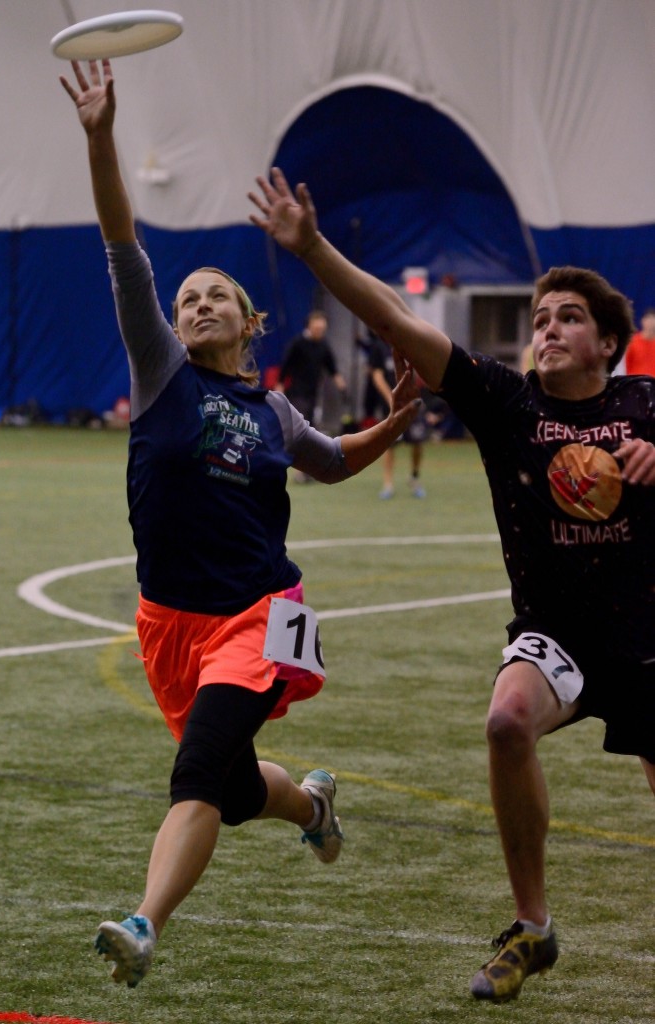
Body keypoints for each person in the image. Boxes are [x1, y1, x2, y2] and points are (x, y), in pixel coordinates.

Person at [248, 167, 655, 1003]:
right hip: (560, 631)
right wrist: (311, 244)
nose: (548, 328)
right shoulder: (507, 403)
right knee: (507, 718)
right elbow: (394, 314)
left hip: (649, 629)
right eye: (540, 318)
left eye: (569, 317)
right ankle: (532, 928)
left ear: (607, 343)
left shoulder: (649, 403)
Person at [60, 64, 422, 989]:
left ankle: (144, 922)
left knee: (198, 774)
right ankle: (311, 808)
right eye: (185, 301)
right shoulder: (162, 377)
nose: (196, 305)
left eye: (214, 295)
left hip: (261, 616)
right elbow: (122, 248)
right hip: (168, 624)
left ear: (249, 320)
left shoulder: (274, 412)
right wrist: (102, 137)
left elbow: (334, 460)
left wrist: (398, 422)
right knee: (227, 781)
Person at [365, 331, 429, 499]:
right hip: (391, 406)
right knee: (389, 444)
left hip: (412, 402)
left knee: (417, 441)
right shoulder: (379, 348)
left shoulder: (408, 345)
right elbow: (377, 377)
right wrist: (391, 399)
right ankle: (388, 484)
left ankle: (414, 478)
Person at [276, 309, 347, 426]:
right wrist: (280, 385)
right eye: (317, 329)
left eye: (322, 330)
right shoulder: (298, 343)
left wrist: (342, 386)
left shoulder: (323, 345)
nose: (320, 332)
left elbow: (332, 368)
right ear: (309, 326)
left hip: (313, 391)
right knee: (300, 420)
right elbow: (286, 365)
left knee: (311, 423)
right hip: (297, 391)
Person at [624, 307, 655, 376]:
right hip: (635, 382)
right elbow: (625, 365)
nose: (651, 323)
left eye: (653, 319)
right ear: (642, 321)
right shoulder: (632, 342)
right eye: (649, 319)